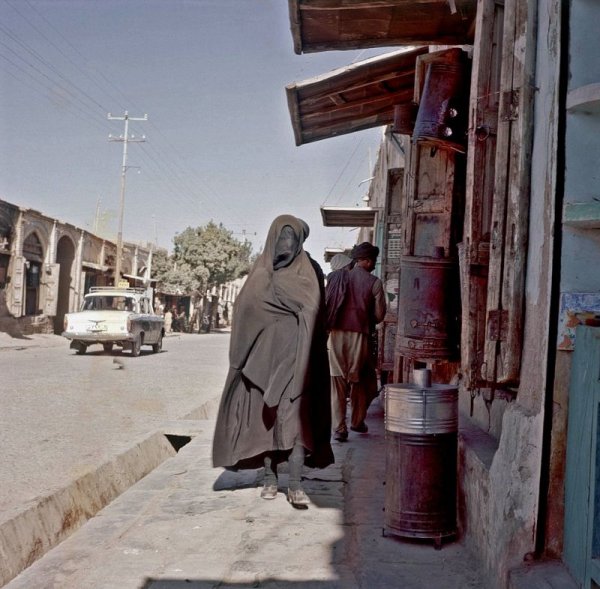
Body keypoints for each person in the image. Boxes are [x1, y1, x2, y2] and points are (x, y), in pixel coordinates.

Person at [212, 214, 334, 508]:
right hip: (261, 363)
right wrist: (241, 361)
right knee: (263, 423)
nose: (286, 245)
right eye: (282, 238)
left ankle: (294, 484)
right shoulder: (261, 273)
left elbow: (318, 314)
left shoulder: (311, 271)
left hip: (298, 360)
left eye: (292, 239)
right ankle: (268, 477)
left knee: (293, 425)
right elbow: (244, 312)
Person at [326, 242, 387, 442]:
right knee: (362, 380)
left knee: (337, 382)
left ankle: (339, 427)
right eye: (373, 261)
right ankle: (357, 421)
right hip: (359, 336)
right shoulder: (374, 282)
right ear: (367, 261)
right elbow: (379, 316)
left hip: (335, 336)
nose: (374, 265)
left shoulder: (337, 278)